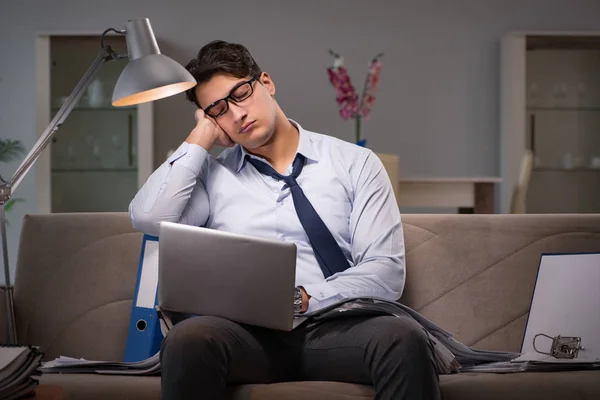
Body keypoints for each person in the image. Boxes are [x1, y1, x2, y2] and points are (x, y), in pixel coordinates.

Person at [129, 40, 440, 400]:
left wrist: (301, 299)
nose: (236, 115)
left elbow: (385, 270)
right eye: (218, 110)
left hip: (338, 328)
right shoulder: (212, 177)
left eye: (240, 94)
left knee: (403, 338)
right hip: (245, 336)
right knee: (189, 339)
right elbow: (149, 218)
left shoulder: (356, 164)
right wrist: (200, 135)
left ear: (266, 83)